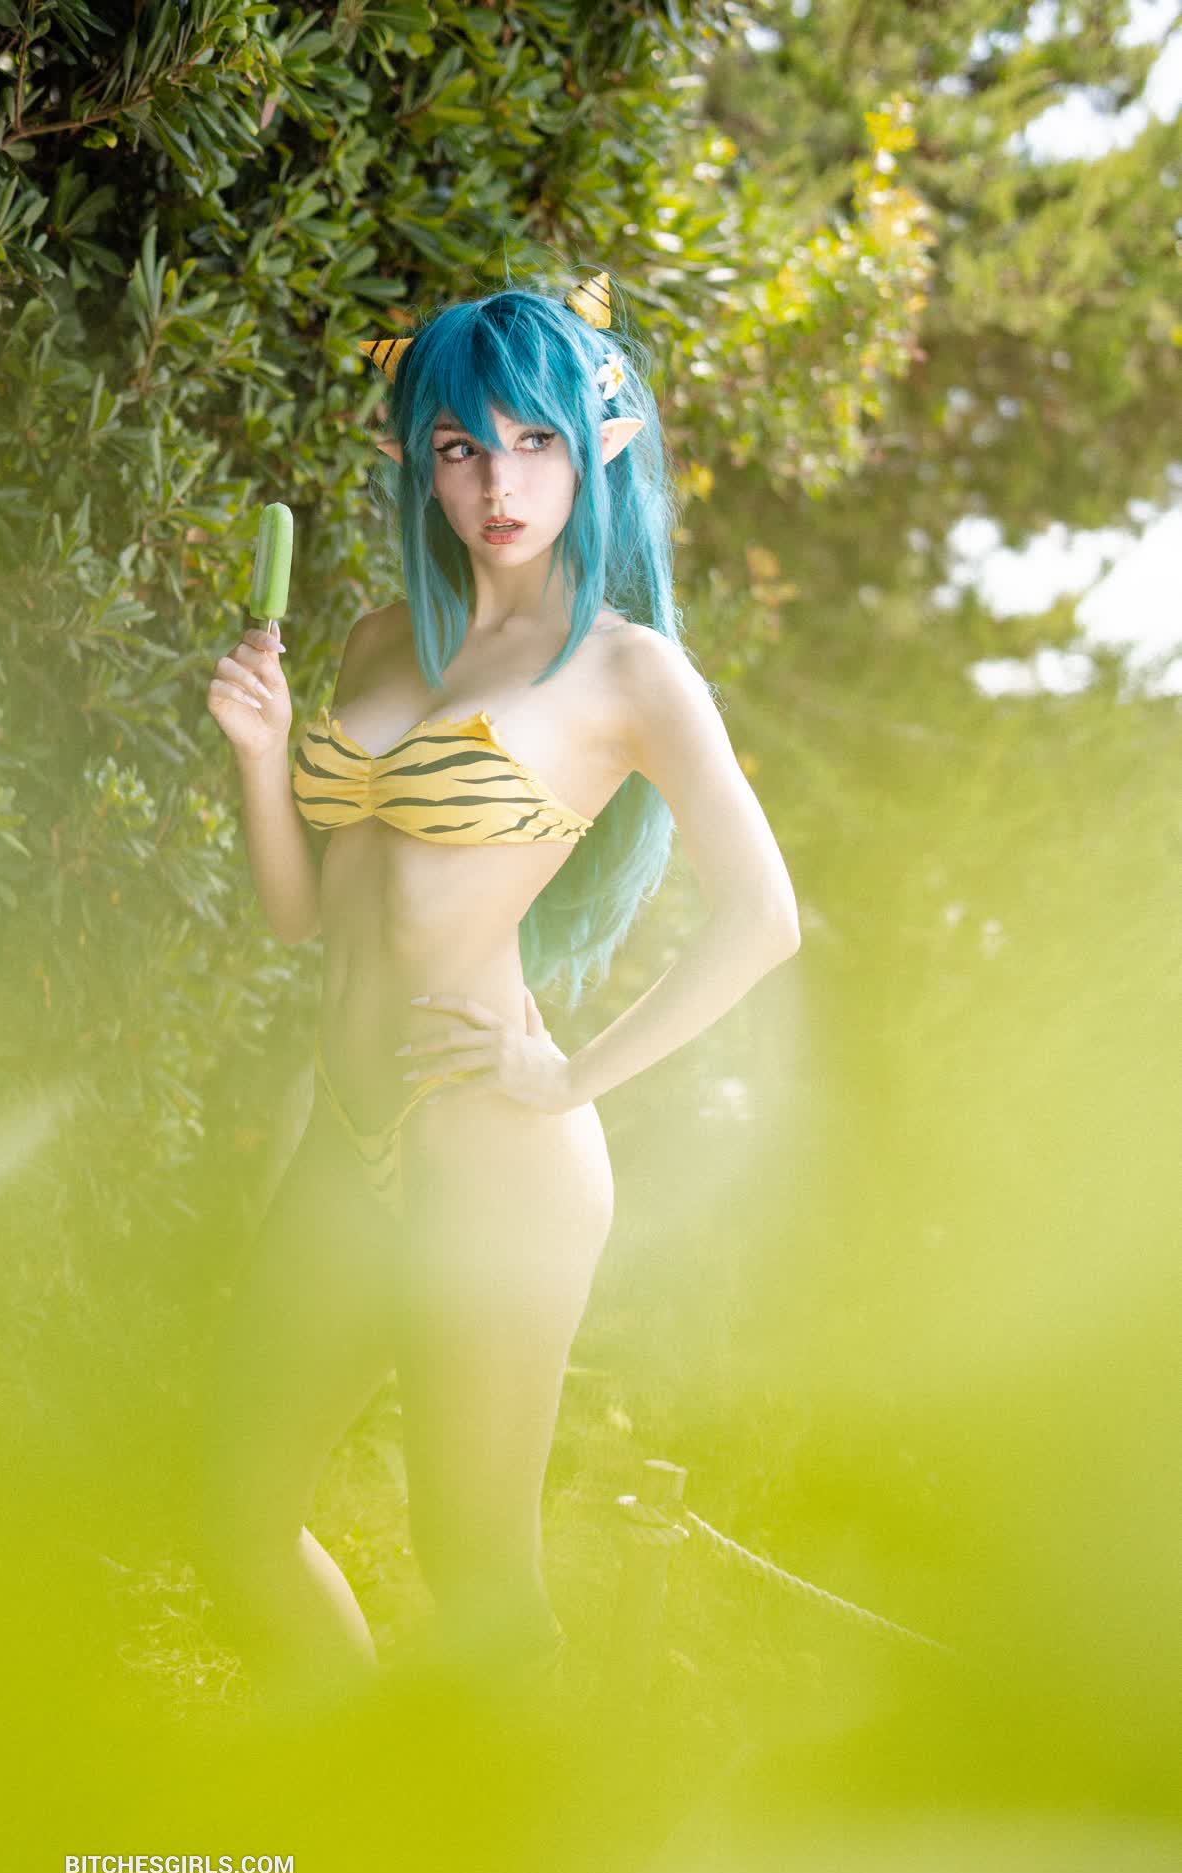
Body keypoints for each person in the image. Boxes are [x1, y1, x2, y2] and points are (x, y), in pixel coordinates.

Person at [197, 271, 801, 1723]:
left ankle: (509, 1830)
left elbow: (764, 919)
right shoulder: (378, 638)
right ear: (419, 459)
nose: (499, 484)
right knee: (229, 1516)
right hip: (347, 1136)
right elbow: (305, 917)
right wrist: (261, 756)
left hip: (497, 1154)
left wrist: (569, 1078)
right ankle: (347, 1807)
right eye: (462, 447)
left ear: (598, 448)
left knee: (473, 1568)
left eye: (534, 442)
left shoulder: (629, 669)